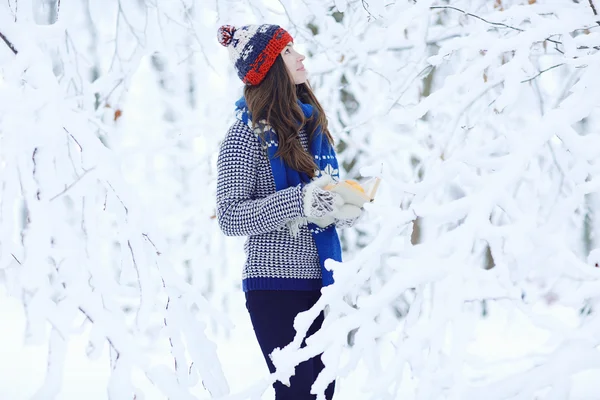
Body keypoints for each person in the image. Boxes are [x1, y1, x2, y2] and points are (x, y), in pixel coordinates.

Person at [216, 24, 363, 400]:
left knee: (322, 394)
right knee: (298, 395)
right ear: (269, 68)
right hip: (274, 285)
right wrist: (298, 201)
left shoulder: (312, 129)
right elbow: (230, 216)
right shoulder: (244, 134)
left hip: (322, 283)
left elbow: (323, 203)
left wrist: (345, 205)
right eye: (288, 52)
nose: (299, 57)